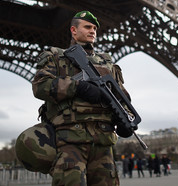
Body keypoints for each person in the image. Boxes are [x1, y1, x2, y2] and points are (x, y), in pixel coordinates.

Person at [32, 10, 135, 186]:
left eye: (94, 28)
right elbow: (40, 86)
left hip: (103, 141)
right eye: (87, 27)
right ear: (74, 30)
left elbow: (121, 95)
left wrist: (125, 118)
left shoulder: (107, 63)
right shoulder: (55, 57)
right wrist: (79, 87)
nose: (92, 30)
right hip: (70, 140)